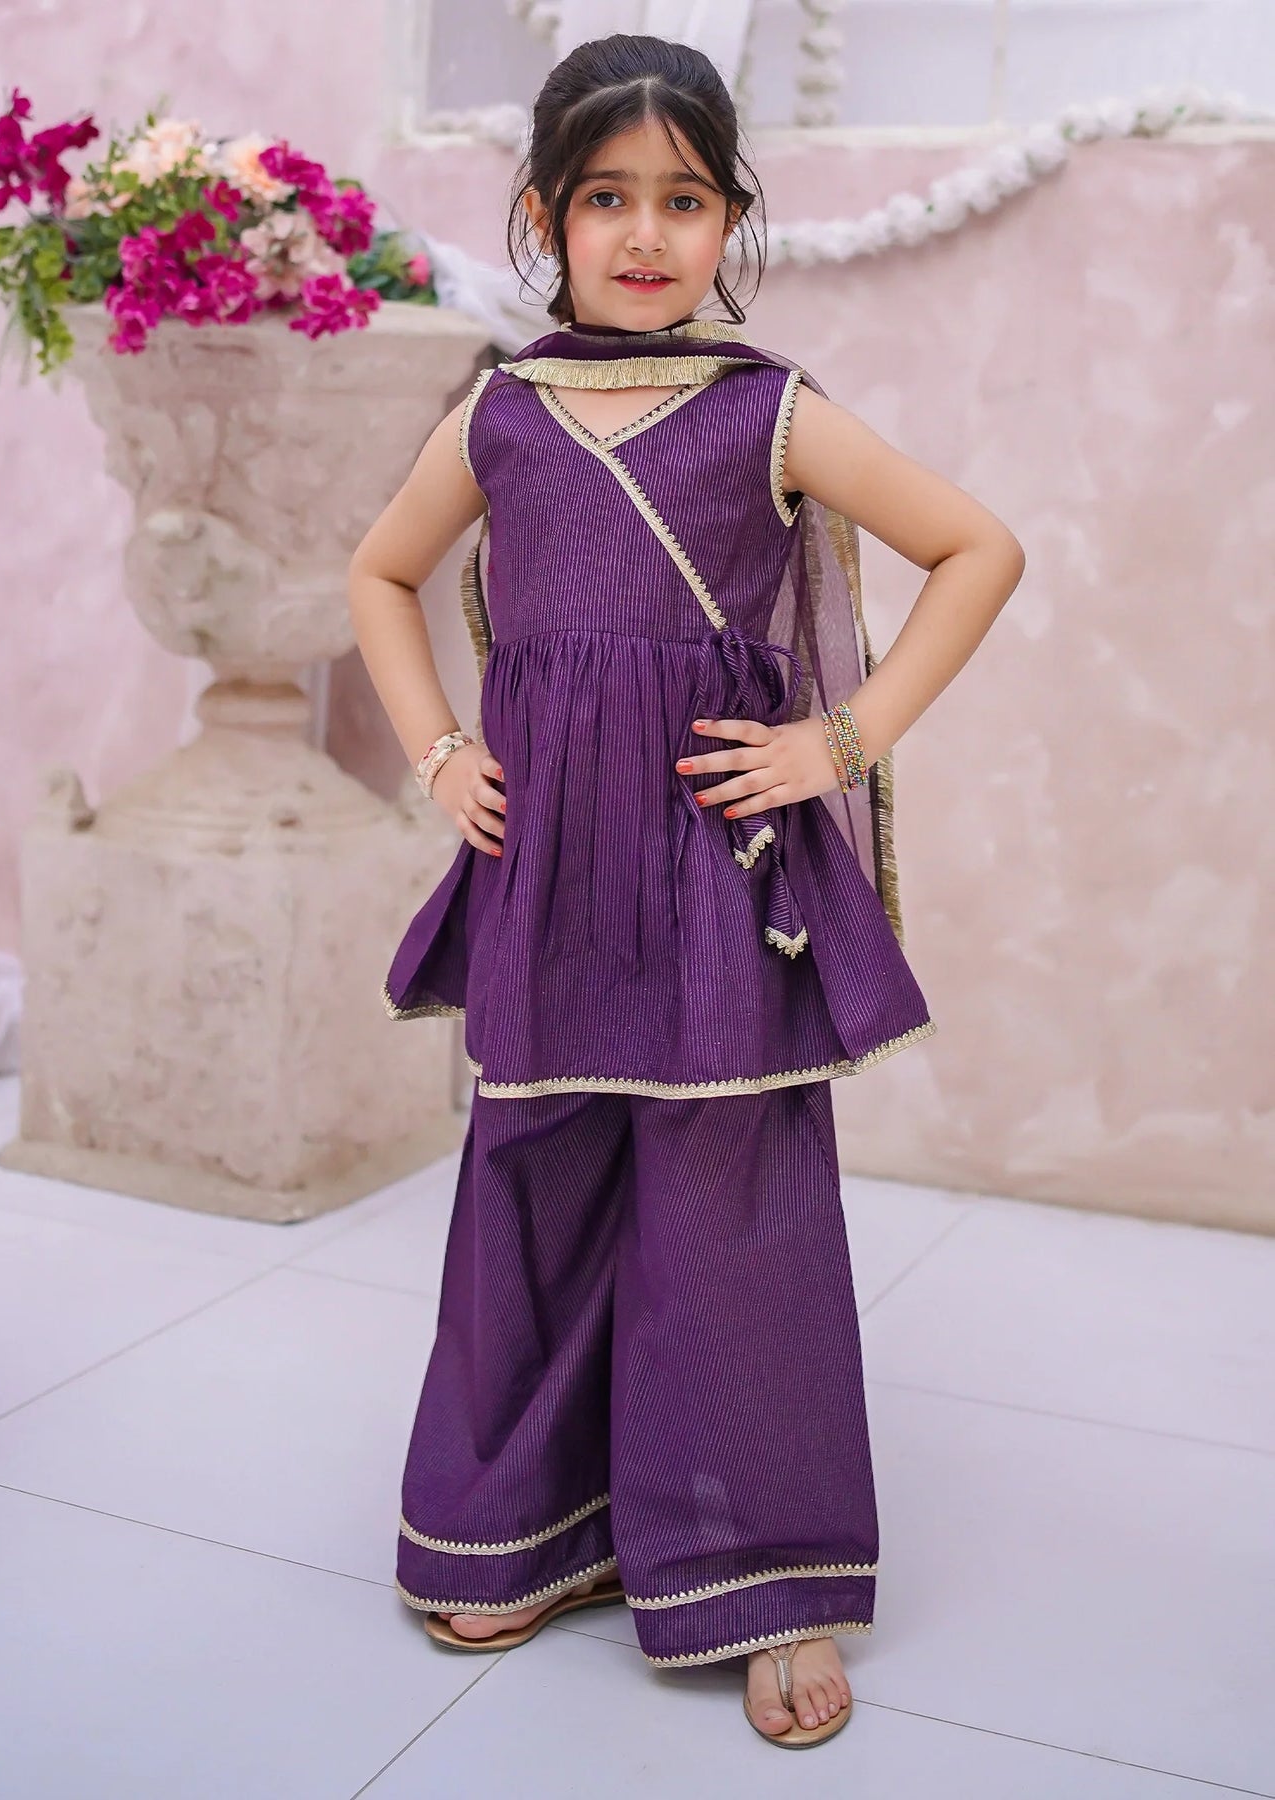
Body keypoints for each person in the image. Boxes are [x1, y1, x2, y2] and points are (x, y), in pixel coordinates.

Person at [348, 31, 1024, 1751]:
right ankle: (525, 1527)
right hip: (547, 878)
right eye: (605, 198)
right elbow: (378, 573)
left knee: (732, 1213)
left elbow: (976, 548)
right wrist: (438, 751)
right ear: (541, 216)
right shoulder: (499, 411)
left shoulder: (765, 410)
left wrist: (838, 740)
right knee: (533, 1188)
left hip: (715, 877)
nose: (645, 233)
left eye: (684, 198)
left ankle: (765, 1576)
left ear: (731, 218)